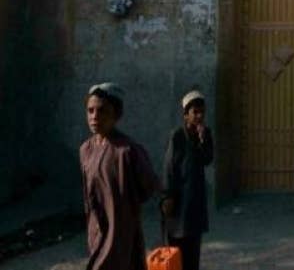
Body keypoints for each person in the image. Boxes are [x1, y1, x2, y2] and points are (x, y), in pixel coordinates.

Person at [79, 82, 159, 270]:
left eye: (102, 111)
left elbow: (148, 186)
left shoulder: (128, 151)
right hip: (96, 232)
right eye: (90, 111)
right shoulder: (85, 150)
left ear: (116, 115)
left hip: (121, 235)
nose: (94, 117)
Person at [161, 91, 214, 270]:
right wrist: (167, 196)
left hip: (195, 203)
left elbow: (207, 159)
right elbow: (169, 168)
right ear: (186, 115)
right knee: (176, 252)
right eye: (195, 112)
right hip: (178, 202)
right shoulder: (177, 135)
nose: (199, 116)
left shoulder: (205, 134)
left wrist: (203, 139)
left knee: (193, 252)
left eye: (202, 112)